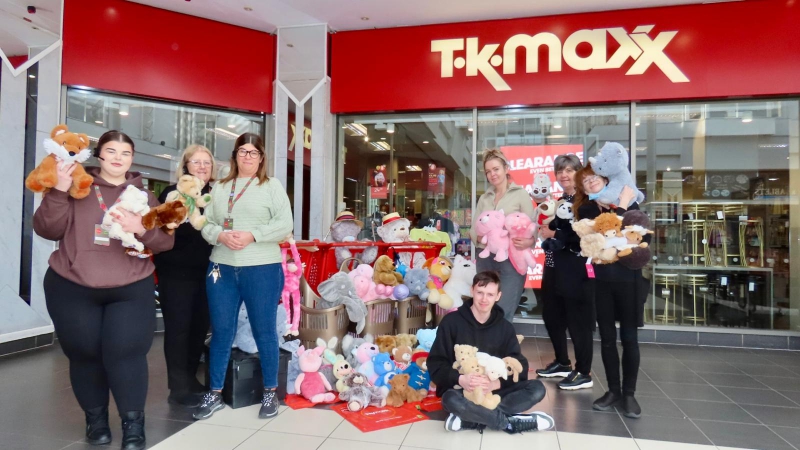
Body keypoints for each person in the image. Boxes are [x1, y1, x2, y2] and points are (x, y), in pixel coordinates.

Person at [34, 130, 174, 450]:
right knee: (84, 356)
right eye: (111, 151)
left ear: (132, 158)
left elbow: (165, 241)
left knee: (126, 355)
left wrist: (142, 228)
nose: (117, 158)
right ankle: (95, 420)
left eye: (125, 153)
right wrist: (58, 190)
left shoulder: (145, 195)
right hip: (72, 285)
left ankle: (133, 425)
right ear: (99, 155)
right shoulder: (76, 186)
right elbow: (46, 228)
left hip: (130, 287)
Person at [193, 133, 293, 420]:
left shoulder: (271, 186)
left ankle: (270, 393)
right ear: (235, 155)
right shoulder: (221, 187)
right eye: (243, 151)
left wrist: (252, 235)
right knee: (222, 332)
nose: (248, 157)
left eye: (254, 153)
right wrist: (220, 235)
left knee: (264, 331)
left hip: (261, 267)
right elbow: (206, 224)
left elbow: (285, 224)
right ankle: (214, 393)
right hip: (221, 268)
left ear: (261, 158)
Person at [429, 271, 554, 434]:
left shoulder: (505, 327)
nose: (484, 299)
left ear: (498, 296)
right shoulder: (451, 322)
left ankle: (473, 419)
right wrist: (460, 379)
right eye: (480, 292)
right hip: (463, 391)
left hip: (495, 392)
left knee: (537, 388)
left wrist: (496, 383)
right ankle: (509, 423)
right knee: (450, 399)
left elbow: (519, 366)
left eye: (490, 294)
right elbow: (436, 364)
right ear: (472, 290)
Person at [573, 165, 647, 418]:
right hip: (601, 282)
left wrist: (625, 205)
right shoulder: (587, 211)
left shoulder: (632, 204)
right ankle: (613, 391)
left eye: (594, 178)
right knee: (606, 338)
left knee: (629, 338)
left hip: (629, 280)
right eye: (586, 182)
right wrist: (622, 207)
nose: (591, 183)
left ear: (606, 179)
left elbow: (633, 235)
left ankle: (629, 394)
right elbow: (595, 240)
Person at [153, 145, 216, 407]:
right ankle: (177, 388)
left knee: (199, 328)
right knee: (178, 329)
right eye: (196, 162)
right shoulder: (171, 193)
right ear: (186, 166)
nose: (202, 167)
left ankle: (189, 378)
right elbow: (164, 227)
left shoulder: (215, 196)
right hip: (175, 273)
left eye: (207, 163)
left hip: (208, 273)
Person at [535, 154, 596, 391]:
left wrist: (555, 235)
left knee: (578, 322)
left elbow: (585, 236)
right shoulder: (561, 200)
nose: (564, 175)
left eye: (569, 170)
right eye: (560, 171)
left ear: (579, 173)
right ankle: (562, 362)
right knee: (552, 317)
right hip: (554, 267)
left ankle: (583, 371)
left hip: (576, 269)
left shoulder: (586, 201)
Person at [470, 149, 536, 322]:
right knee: (484, 306)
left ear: (506, 168)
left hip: (511, 259)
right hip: (485, 258)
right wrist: (482, 237)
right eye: (488, 171)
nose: (492, 174)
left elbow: (532, 225)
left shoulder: (520, 194)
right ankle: (482, 347)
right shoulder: (484, 198)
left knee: (504, 309)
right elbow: (473, 228)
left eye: (496, 169)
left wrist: (529, 240)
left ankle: (499, 347)